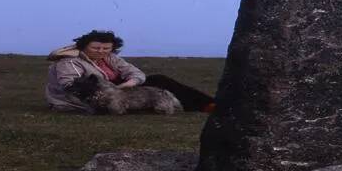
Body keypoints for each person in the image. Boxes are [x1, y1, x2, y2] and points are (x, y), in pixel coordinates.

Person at [46, 30, 215, 113]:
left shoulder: (110, 58)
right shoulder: (69, 62)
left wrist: (128, 84)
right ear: (84, 47)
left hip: (116, 91)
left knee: (158, 79)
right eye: (96, 47)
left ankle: (209, 104)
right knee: (153, 89)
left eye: (106, 48)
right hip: (90, 97)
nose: (101, 51)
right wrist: (111, 92)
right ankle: (200, 106)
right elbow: (70, 86)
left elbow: (136, 73)